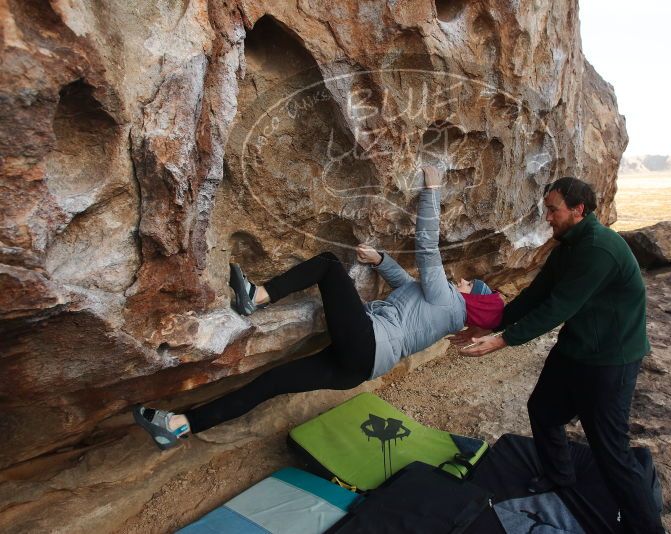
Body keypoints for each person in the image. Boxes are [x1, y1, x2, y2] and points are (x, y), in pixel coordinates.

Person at [133, 165, 504, 450]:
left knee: (328, 264)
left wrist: (432, 189)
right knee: (270, 383)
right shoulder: (442, 311)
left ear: (472, 299)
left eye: (468, 284)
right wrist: (380, 260)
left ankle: (256, 296)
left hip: (367, 343)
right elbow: (405, 287)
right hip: (358, 367)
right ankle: (179, 426)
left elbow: (427, 247)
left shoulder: (448, 299)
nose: (461, 281)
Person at [451, 176, 664, 533]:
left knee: (611, 453)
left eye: (553, 210)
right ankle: (559, 477)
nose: (547, 217)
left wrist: (504, 341)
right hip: (576, 348)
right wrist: (492, 324)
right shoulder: (568, 244)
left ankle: (648, 529)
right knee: (544, 410)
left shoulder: (597, 248)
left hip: (611, 359)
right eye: (546, 209)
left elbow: (558, 308)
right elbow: (537, 295)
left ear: (578, 210)